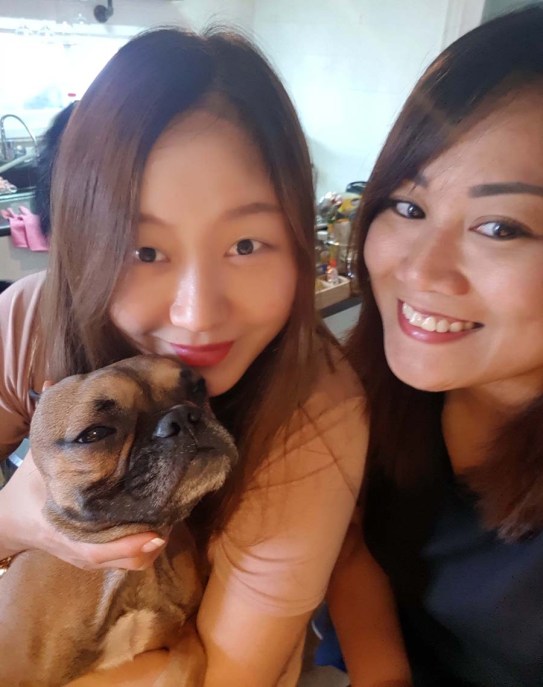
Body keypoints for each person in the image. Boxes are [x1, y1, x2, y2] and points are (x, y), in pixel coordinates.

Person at [0, 27, 367, 686]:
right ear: (81, 243)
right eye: (143, 250)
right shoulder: (29, 317)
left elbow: (225, 677)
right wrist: (14, 523)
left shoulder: (313, 406)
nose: (197, 312)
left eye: (246, 244)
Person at [326, 5, 543, 687]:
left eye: (500, 228)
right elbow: (345, 548)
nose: (419, 271)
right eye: (409, 207)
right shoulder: (355, 392)